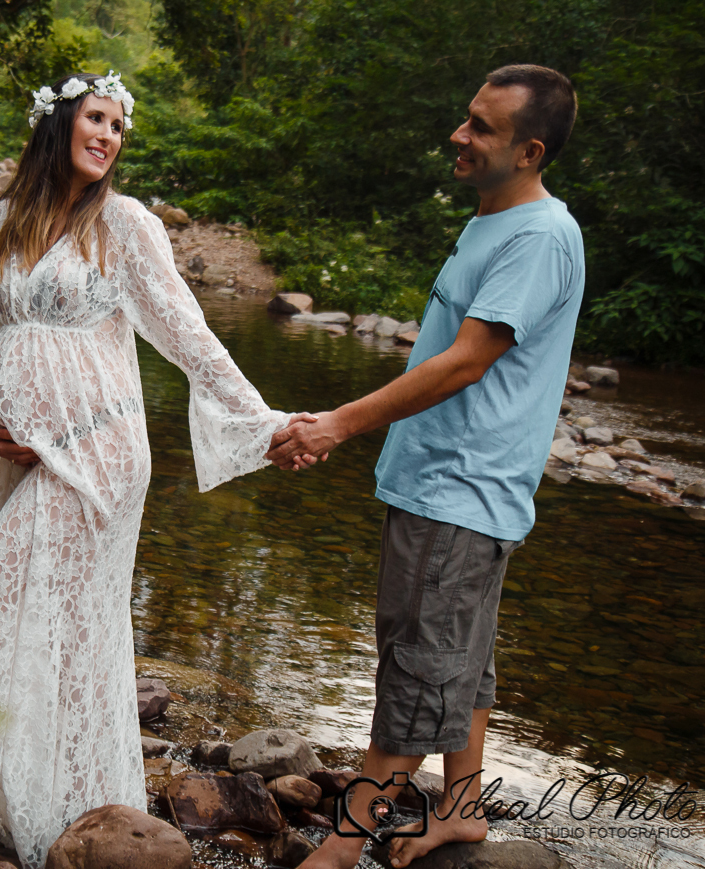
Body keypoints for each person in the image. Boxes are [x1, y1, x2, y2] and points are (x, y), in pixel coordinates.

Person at [0, 71, 299, 866]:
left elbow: (187, 333)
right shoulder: (4, 222)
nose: (110, 136)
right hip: (29, 456)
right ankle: (70, 803)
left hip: (100, 453)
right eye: (97, 118)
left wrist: (263, 420)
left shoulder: (124, 223)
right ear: (58, 123)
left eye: (119, 126)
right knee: (62, 625)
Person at [265, 65, 584, 869]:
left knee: (416, 672)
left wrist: (338, 423)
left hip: (459, 492)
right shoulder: (495, 220)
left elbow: (465, 361)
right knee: (458, 663)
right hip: (452, 487)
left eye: (482, 127)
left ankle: (339, 851)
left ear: (530, 151)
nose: (459, 134)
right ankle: (462, 810)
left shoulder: (539, 237)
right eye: (466, 117)